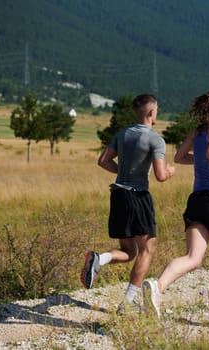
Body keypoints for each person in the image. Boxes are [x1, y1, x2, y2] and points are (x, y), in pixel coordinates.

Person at [142, 88, 209, 327]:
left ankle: (157, 287)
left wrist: (203, 159)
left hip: (197, 201)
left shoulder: (198, 132)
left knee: (192, 257)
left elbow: (180, 157)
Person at [80, 94, 175, 312]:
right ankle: (126, 304)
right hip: (138, 196)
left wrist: (122, 172)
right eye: (157, 110)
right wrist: (170, 171)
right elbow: (160, 175)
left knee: (129, 252)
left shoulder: (122, 134)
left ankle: (99, 259)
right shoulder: (155, 139)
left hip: (118, 195)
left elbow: (103, 161)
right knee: (146, 251)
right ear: (151, 113)